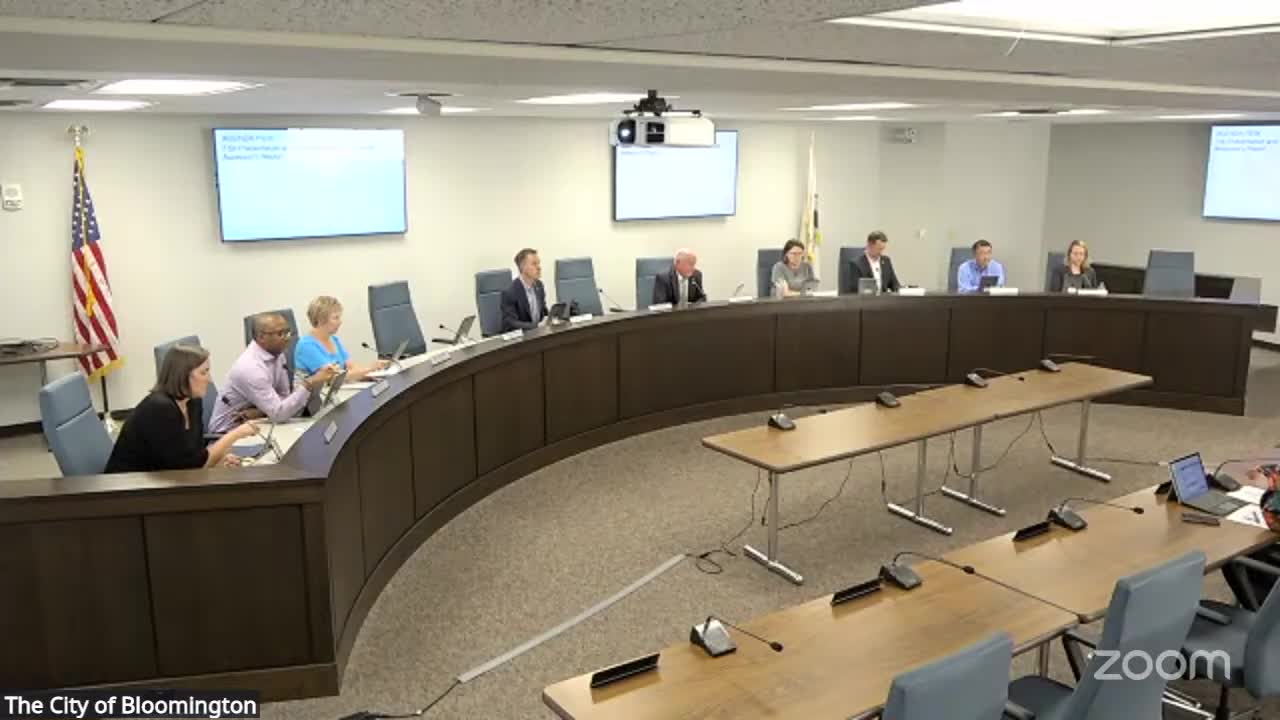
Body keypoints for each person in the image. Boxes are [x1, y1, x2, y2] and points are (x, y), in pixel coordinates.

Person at [106, 344, 258, 473]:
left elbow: (196, 456)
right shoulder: (160, 408)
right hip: (130, 488)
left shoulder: (192, 401)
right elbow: (192, 468)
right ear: (182, 376)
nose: (209, 379)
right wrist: (235, 434)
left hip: (165, 480)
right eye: (203, 372)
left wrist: (220, 460)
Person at [209, 312, 338, 433]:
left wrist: (260, 412)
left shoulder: (277, 355)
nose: (287, 338)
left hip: (258, 424)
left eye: (288, 332)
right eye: (280, 333)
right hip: (227, 433)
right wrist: (310, 382)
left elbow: (284, 398)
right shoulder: (251, 368)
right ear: (261, 337)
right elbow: (279, 414)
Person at [295, 296, 388, 381]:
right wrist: (370, 369)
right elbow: (334, 377)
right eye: (335, 318)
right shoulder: (306, 346)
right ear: (320, 320)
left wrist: (376, 370)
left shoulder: (334, 339)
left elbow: (351, 367)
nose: (340, 322)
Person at [500, 247, 548, 332]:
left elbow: (543, 311)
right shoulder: (510, 292)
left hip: (539, 334)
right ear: (523, 267)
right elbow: (511, 323)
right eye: (534, 264)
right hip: (523, 337)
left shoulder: (539, 285)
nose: (539, 267)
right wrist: (536, 326)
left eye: (539, 263)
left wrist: (550, 318)